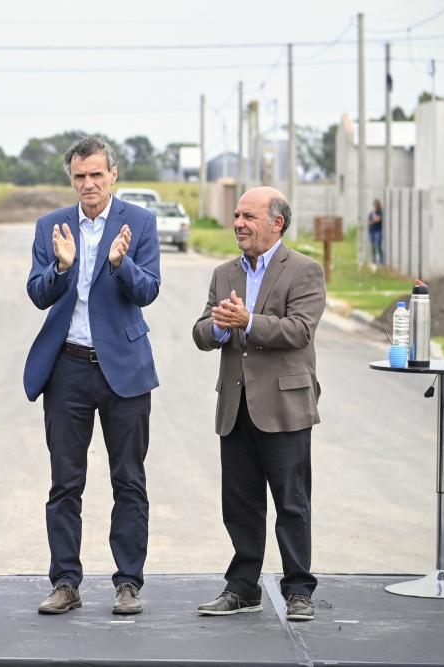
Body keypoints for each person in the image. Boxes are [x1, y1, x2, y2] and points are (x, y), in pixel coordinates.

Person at [24, 136, 161, 616]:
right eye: (80, 176)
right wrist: (61, 267)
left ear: (113, 175)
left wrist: (121, 265)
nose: (88, 184)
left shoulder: (139, 222)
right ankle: (65, 581)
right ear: (71, 178)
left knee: (129, 480)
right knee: (65, 482)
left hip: (124, 370)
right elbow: (38, 293)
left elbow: (149, 291)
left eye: (96, 175)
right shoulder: (50, 226)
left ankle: (128, 583)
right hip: (67, 369)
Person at [192, 186, 325, 622]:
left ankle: (299, 590)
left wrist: (248, 322)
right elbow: (201, 330)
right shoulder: (224, 273)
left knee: (292, 502)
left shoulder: (304, 270)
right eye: (236, 216)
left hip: (284, 406)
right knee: (241, 503)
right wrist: (219, 329)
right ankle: (242, 588)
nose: (238, 224)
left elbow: (299, 331)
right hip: (236, 405)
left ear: (277, 223)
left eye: (248, 216)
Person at [368, 199, 384, 265]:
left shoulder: (380, 212)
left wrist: (374, 219)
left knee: (378, 245)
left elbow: (378, 220)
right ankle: (373, 259)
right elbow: (369, 222)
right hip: (371, 231)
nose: (375, 206)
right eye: (375, 204)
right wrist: (374, 220)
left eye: (377, 204)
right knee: (373, 246)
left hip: (378, 231)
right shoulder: (371, 213)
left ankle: (381, 260)